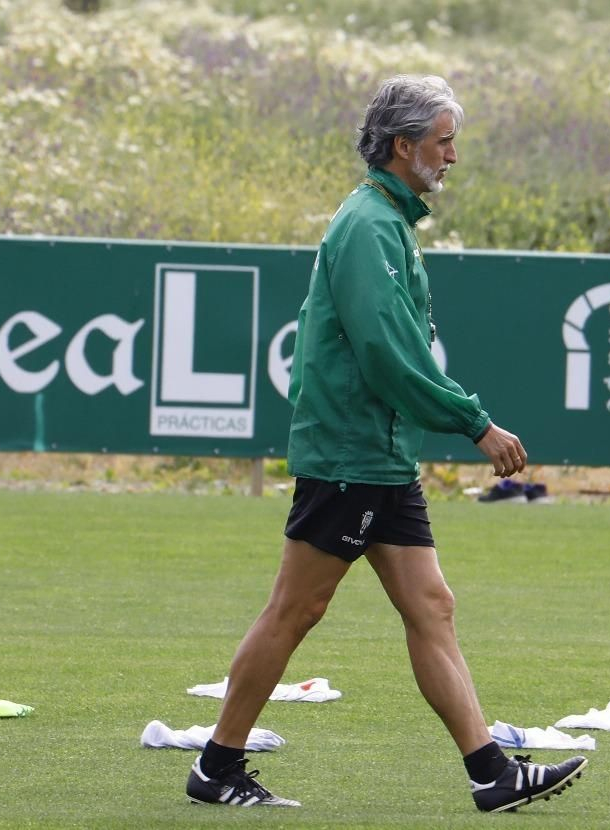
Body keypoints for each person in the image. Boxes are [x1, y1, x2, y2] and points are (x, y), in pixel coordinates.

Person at [184, 75, 587, 812]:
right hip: (352, 453)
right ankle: (216, 766)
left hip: (378, 453)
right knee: (294, 611)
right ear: (403, 147)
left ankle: (491, 774)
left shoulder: (388, 221)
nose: (453, 156)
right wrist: (474, 422)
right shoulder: (370, 227)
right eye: (443, 141)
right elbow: (388, 354)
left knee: (432, 605)